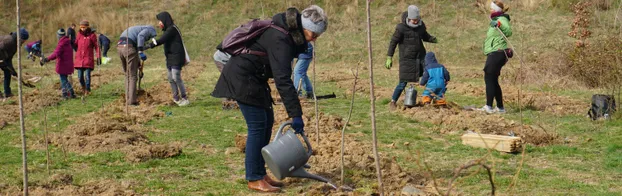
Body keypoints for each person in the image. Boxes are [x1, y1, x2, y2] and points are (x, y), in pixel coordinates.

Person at [211, 5, 328, 192]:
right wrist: (295, 114)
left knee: (267, 121)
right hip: (243, 78)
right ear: (302, 26)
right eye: (313, 33)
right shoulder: (281, 38)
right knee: (257, 126)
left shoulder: (288, 35)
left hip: (255, 78)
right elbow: (283, 80)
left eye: (317, 36)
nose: (314, 39)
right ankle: (253, 177)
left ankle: (260, 173)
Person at [386, 5, 438, 111]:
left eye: (417, 19)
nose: (415, 22)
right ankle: (393, 102)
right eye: (414, 20)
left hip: (421, 57)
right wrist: (389, 56)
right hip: (407, 59)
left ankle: (431, 100)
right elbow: (393, 42)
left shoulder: (421, 26)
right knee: (402, 83)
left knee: (430, 76)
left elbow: (424, 36)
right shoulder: (401, 28)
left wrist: (432, 39)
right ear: (409, 18)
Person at [145, 11, 190, 106]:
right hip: (170, 57)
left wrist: (150, 45)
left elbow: (161, 40)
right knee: (170, 78)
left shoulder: (172, 29)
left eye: (160, 21)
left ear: (165, 20)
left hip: (177, 56)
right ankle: (176, 98)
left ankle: (185, 98)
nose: (159, 23)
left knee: (176, 77)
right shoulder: (168, 30)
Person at [480, 0, 512, 114]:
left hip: (498, 52)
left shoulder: (502, 19)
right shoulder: (494, 20)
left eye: (492, 9)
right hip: (493, 52)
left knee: (489, 77)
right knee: (493, 79)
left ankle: (488, 106)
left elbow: (508, 32)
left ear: (497, 10)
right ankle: (500, 108)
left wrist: (499, 25)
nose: (490, 10)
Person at [118, 25, 157, 106]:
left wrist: (138, 63)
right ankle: (132, 101)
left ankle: (127, 98)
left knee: (127, 75)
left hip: (120, 47)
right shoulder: (149, 29)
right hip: (128, 47)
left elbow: (134, 48)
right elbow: (141, 36)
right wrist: (141, 52)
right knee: (132, 76)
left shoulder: (135, 30)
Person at [41, 28, 76, 99]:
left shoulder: (61, 43)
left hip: (63, 65)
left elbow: (55, 54)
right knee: (64, 79)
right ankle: (70, 93)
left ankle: (67, 94)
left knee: (63, 80)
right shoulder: (67, 42)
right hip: (68, 65)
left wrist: (47, 59)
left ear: (59, 36)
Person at [0, 28, 29, 99]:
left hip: (3, 59)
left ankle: (7, 93)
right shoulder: (9, 41)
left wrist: (12, 70)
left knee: (8, 72)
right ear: (20, 37)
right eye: (23, 40)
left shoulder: (15, 44)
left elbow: (9, 58)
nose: (24, 42)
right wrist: (2, 60)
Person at [74, 20, 100, 95]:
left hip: (88, 59)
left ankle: (87, 90)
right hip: (79, 59)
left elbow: (97, 47)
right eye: (81, 27)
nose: (82, 29)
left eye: (84, 27)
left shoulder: (92, 35)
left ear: (87, 27)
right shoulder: (79, 34)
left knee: (87, 76)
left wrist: (98, 57)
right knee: (80, 77)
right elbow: (76, 43)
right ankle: (83, 87)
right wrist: (72, 43)